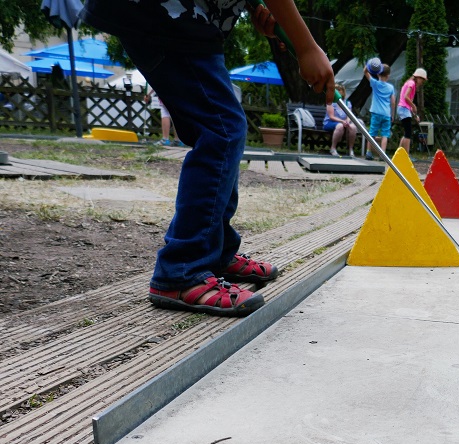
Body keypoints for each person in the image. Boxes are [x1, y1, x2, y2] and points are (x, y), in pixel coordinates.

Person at [80, 0, 334, 317]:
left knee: (224, 127)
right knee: (221, 129)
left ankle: (216, 252)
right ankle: (182, 271)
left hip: (191, 19)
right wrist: (306, 46)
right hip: (164, 14)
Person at [364, 63, 395, 160]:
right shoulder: (391, 87)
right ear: (388, 76)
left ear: (377, 74)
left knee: (372, 133)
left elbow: (365, 71)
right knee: (385, 134)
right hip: (386, 114)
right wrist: (392, 115)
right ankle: (383, 154)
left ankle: (369, 153)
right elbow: (393, 102)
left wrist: (371, 64)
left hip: (376, 112)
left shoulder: (375, 83)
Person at [396, 67, 426, 154]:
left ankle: (398, 153)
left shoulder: (409, 83)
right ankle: (406, 155)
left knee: (406, 132)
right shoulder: (412, 83)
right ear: (418, 77)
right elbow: (406, 97)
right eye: (422, 80)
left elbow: (408, 101)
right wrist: (413, 105)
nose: (422, 82)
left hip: (403, 109)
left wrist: (414, 114)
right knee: (408, 133)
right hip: (404, 109)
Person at [324, 83, 356, 157]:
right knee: (340, 126)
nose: (338, 91)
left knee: (353, 127)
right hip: (331, 122)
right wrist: (342, 121)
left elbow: (349, 115)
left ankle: (350, 149)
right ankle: (333, 148)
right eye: (336, 90)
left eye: (339, 90)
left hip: (344, 122)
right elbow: (331, 116)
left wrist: (347, 121)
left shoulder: (347, 103)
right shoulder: (330, 102)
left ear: (343, 92)